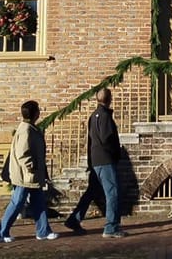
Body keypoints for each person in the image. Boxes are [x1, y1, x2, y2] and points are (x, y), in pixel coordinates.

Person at [63, 87, 127, 238]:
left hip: (96, 160)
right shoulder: (104, 116)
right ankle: (111, 227)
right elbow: (107, 139)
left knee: (92, 191)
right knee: (112, 192)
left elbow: (91, 140)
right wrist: (115, 152)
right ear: (109, 99)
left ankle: (74, 219)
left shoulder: (93, 116)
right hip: (105, 160)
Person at [0, 100, 59, 242]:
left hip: (31, 176)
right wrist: (32, 166)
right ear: (35, 113)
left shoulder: (29, 128)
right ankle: (1, 232)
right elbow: (23, 153)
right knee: (17, 203)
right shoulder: (26, 130)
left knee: (39, 203)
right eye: (38, 110)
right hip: (25, 176)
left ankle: (43, 231)